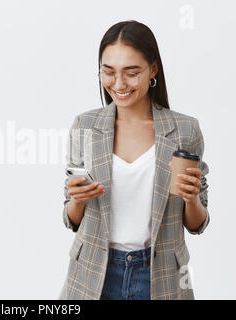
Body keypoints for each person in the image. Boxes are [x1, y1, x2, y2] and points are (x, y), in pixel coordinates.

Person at [59, 20, 210, 300]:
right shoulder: (85, 126)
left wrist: (191, 199)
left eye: (131, 73)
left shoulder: (185, 130)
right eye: (108, 72)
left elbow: (197, 223)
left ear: (153, 69)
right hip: (93, 273)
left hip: (159, 275)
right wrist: (77, 199)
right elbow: (71, 218)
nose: (118, 84)